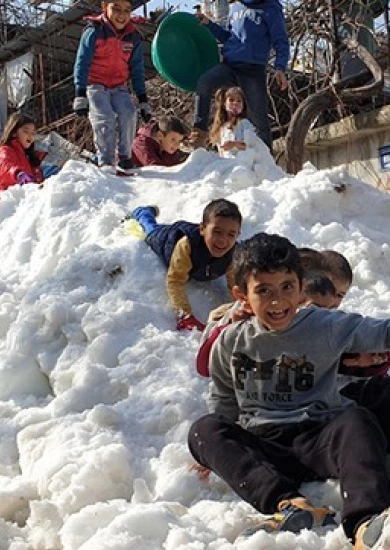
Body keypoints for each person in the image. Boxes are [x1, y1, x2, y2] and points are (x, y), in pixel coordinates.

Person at [189, 233, 390, 550]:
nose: (278, 300)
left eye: (287, 287)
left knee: (357, 418)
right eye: (264, 290)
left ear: (301, 285)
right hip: (266, 446)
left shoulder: (326, 327)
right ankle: (290, 505)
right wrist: (214, 452)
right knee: (202, 429)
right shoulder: (230, 341)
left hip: (317, 437)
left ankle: (367, 529)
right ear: (242, 295)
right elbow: (223, 403)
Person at [128, 199, 242, 331]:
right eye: (217, 232)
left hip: (195, 249)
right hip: (165, 240)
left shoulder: (234, 254)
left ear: (237, 235)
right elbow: (175, 280)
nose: (223, 240)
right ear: (202, 229)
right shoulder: (187, 246)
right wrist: (185, 314)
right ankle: (142, 212)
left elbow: (235, 285)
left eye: (231, 234)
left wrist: (239, 308)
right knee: (151, 229)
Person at [192, 0, 289, 149]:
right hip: (230, 65)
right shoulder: (236, 6)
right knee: (204, 82)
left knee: (259, 120)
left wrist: (280, 67)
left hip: (252, 70)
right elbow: (229, 37)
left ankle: (267, 163)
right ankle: (199, 133)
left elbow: (281, 40)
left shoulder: (270, 8)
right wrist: (209, 24)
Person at [73, 0, 150, 170]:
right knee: (104, 116)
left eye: (127, 10)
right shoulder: (94, 31)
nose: (121, 15)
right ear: (104, 7)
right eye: (116, 9)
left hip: (118, 86)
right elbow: (82, 62)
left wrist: (143, 98)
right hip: (95, 85)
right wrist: (80, 94)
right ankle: (106, 160)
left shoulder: (133, 36)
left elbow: (137, 69)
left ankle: (125, 156)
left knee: (128, 113)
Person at [0, 113, 46, 205]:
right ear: (14, 132)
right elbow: (4, 165)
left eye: (33, 133)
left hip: (21, 203)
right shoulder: (5, 150)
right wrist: (18, 174)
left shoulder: (29, 158)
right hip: (5, 202)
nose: (30, 136)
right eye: (26, 131)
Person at [209, 86, 257, 157]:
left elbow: (251, 145)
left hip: (242, 163)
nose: (235, 103)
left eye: (239, 101)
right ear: (225, 104)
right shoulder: (221, 127)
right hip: (227, 164)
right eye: (231, 100)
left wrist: (234, 144)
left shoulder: (244, 123)